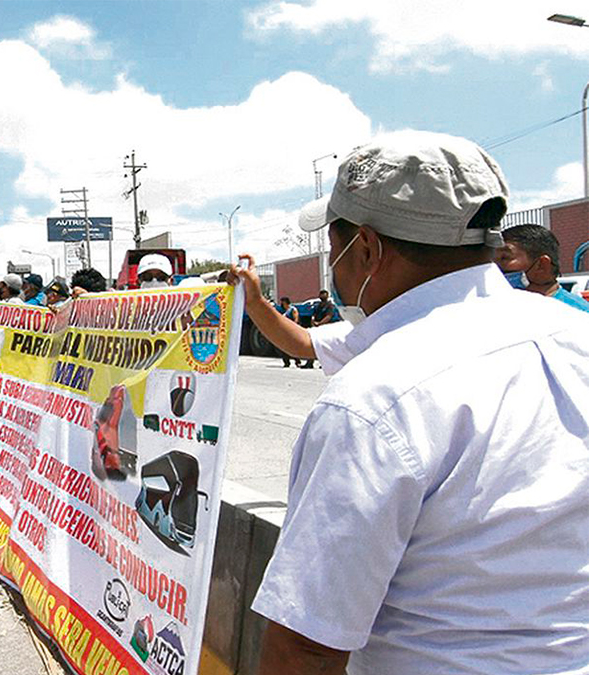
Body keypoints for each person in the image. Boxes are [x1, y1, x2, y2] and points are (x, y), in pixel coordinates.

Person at [248, 131, 589, 675]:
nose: (333, 267)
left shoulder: (374, 398)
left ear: (365, 248)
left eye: (333, 249)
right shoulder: (575, 335)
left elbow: (308, 644)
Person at [226, 255, 355, 376]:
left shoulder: (360, 333)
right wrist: (253, 301)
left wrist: (254, 302)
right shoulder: (355, 333)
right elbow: (300, 342)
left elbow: (299, 332)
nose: (332, 261)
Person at [497, 223, 589, 313]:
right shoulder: (503, 310)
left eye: (504, 258)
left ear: (542, 265)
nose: (495, 266)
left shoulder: (579, 314)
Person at [273, 297, 300, 368]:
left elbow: (296, 320)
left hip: (291, 331)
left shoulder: (292, 309)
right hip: (285, 331)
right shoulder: (284, 311)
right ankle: (286, 362)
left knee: (293, 347)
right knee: (284, 347)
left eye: (283, 302)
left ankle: (297, 361)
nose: (282, 304)